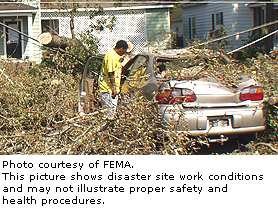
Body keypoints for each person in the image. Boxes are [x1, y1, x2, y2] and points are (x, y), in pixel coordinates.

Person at [98, 40, 131, 119]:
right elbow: (111, 73)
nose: (124, 53)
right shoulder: (111, 55)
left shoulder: (116, 55)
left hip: (111, 89)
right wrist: (114, 89)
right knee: (110, 113)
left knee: (112, 111)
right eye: (124, 51)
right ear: (121, 49)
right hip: (107, 89)